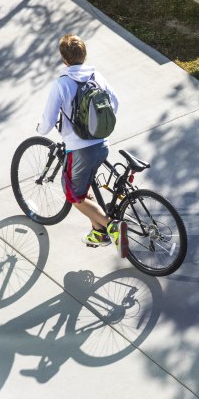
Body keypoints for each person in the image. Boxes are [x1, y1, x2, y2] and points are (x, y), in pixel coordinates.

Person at [37, 34, 128, 256]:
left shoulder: (62, 83)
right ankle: (98, 232)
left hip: (79, 149)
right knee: (83, 184)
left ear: (63, 59)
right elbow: (114, 102)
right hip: (102, 144)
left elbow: (48, 122)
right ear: (84, 54)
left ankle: (111, 226)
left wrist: (40, 129)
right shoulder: (96, 75)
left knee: (73, 195)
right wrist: (96, 127)